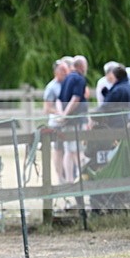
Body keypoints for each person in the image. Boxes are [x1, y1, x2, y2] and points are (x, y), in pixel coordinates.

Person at [57, 55, 89, 183]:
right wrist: (65, 114)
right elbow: (75, 99)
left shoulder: (67, 78)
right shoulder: (79, 79)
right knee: (76, 149)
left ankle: (70, 180)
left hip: (67, 121)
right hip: (76, 121)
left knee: (68, 150)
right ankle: (82, 179)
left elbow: (59, 99)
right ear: (82, 66)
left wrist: (62, 115)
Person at [43, 60, 69, 185]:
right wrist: (60, 113)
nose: (64, 72)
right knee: (58, 150)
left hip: (68, 123)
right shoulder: (51, 87)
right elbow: (47, 108)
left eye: (66, 69)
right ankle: (59, 177)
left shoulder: (68, 84)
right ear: (56, 71)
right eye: (61, 70)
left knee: (68, 150)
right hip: (56, 123)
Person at [95, 65, 130, 129]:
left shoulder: (117, 89)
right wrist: (107, 93)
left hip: (116, 121)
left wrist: (94, 114)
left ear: (115, 76)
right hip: (127, 119)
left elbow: (108, 104)